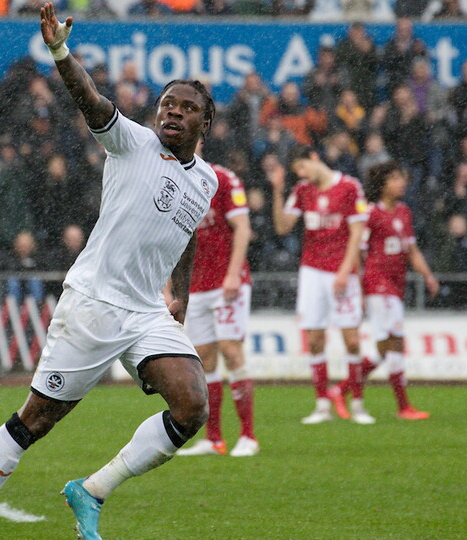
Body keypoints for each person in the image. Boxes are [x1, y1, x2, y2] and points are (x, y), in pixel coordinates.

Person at [0, 4, 217, 539]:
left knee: (192, 406)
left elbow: (188, 233)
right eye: (167, 104)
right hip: (93, 304)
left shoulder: (207, 180)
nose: (173, 113)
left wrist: (179, 294)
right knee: (36, 419)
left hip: (146, 312)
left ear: (205, 123)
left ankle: (92, 489)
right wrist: (60, 52)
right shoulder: (131, 141)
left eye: (186, 108)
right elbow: (91, 100)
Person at [327, 162, 438, 421]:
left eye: (402, 178)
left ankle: (340, 390)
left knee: (384, 348)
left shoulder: (404, 212)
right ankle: (403, 407)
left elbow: (411, 250)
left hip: (396, 285)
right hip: (378, 284)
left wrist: (427, 275)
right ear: (383, 184)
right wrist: (360, 289)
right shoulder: (370, 213)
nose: (402, 183)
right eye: (395, 178)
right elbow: (359, 253)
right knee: (394, 342)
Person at [269, 145, 369, 424]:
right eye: (297, 171)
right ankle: (322, 405)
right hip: (312, 271)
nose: (302, 174)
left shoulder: (350, 187)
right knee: (314, 340)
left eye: (302, 167)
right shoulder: (302, 190)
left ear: (314, 157)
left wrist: (344, 271)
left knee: (352, 340)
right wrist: (277, 191)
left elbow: (357, 232)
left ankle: (358, 404)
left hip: (342, 271)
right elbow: (282, 227)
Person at [176, 156, 257, 457]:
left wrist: (233, 274)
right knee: (204, 360)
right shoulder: (172, 181)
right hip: (196, 286)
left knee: (231, 350)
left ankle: (248, 436)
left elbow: (243, 228)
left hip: (227, 283)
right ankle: (214, 439)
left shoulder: (221, 178)